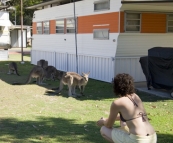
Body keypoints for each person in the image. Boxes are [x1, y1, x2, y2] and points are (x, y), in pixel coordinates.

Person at [97, 73, 157, 143]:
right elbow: (131, 116)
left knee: (104, 129)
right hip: (152, 137)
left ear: (116, 87)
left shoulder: (117, 103)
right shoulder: (136, 96)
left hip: (138, 139)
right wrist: (106, 119)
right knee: (123, 123)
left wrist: (103, 121)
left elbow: (109, 125)